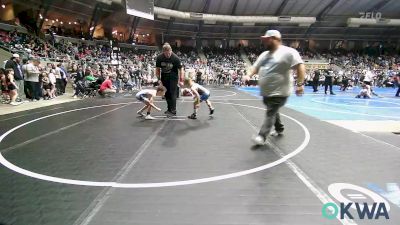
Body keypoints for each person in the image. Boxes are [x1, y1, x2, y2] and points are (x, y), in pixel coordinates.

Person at [242, 30, 305, 146]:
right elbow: (255, 67)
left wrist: (300, 84)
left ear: (276, 39)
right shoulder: (264, 55)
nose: (265, 42)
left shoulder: (289, 52)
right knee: (273, 111)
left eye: (267, 39)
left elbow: (300, 66)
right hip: (267, 92)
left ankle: (261, 136)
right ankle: (279, 128)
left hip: (280, 91)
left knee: (270, 112)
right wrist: (248, 75)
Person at [156, 43, 184, 117]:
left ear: (171, 50)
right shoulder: (159, 58)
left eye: (169, 53)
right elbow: (157, 69)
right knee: (166, 94)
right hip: (164, 77)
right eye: (166, 54)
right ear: (163, 52)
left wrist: (181, 80)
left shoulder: (175, 58)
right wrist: (158, 79)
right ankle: (169, 109)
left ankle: (173, 110)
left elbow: (181, 69)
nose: (168, 55)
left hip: (173, 78)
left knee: (172, 93)